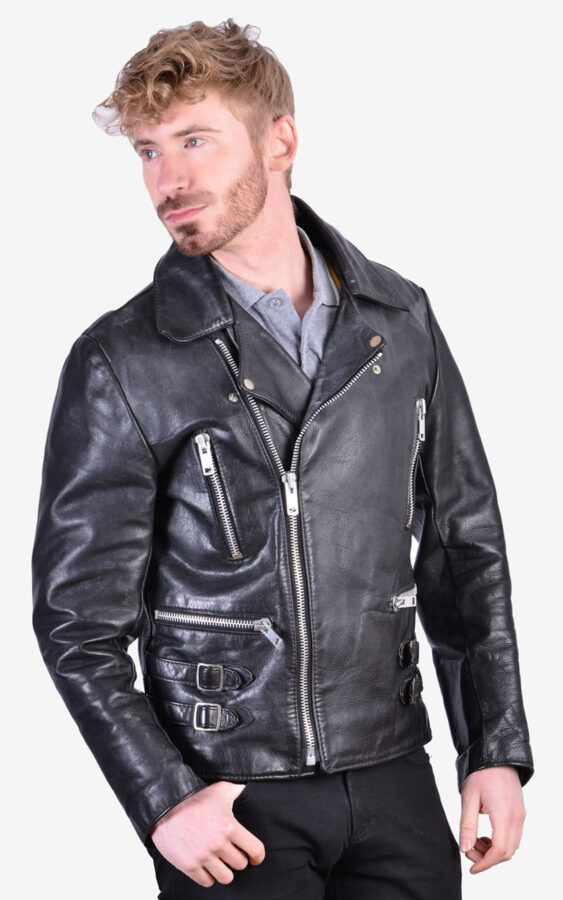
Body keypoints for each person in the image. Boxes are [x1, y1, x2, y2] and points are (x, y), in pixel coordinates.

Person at [31, 18, 534, 899]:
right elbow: (78, 622)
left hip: (395, 775)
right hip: (230, 798)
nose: (167, 179)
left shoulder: (400, 320)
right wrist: (163, 796)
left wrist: (493, 746)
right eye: (148, 151)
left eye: (194, 140)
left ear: (280, 141)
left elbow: (464, 545)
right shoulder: (123, 359)